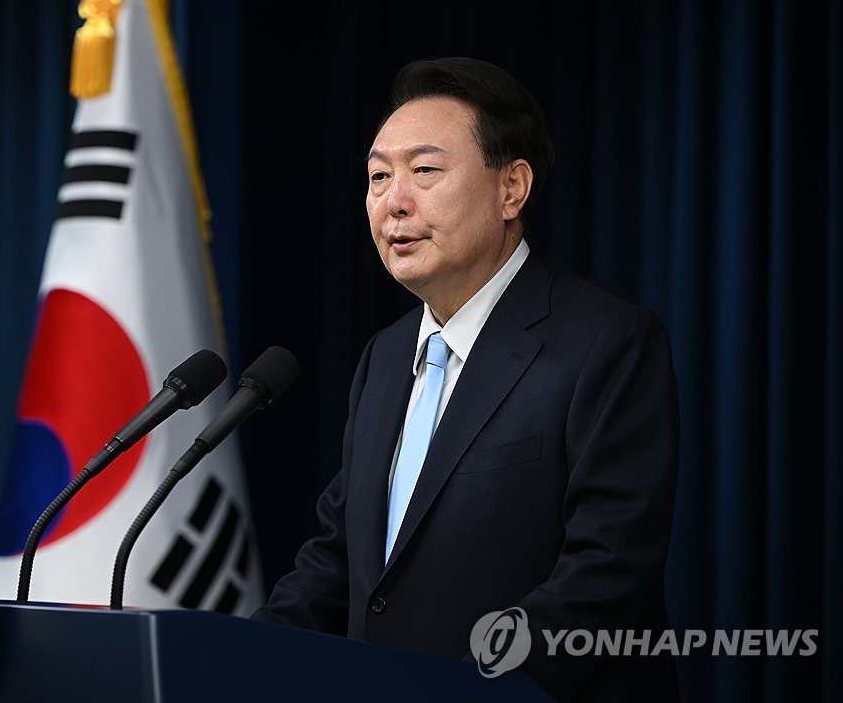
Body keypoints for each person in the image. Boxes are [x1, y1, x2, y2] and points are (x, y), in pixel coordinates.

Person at [252, 56, 680, 702]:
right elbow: (339, 557)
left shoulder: (604, 339)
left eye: (424, 171)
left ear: (512, 188)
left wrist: (471, 689)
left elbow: (606, 569)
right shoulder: (386, 356)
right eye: (377, 177)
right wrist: (242, 661)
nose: (394, 202)